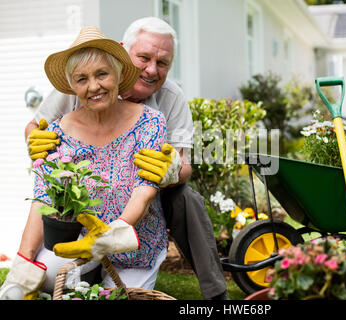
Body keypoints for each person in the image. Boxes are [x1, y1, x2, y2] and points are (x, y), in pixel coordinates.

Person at [24, 17, 228, 300]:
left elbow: (183, 164)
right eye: (143, 57)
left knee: (186, 199)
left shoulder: (170, 100)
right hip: (88, 194)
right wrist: (35, 143)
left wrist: (170, 170)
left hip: (149, 192)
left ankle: (216, 294)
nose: (151, 70)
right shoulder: (80, 80)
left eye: (163, 63)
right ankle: (84, 264)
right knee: (58, 190)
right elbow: (36, 128)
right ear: (123, 53)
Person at [0, 26, 170, 299]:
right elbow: (43, 199)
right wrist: (23, 261)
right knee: (41, 280)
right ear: (72, 86)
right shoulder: (57, 132)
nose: (93, 86)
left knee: (118, 295)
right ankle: (84, 272)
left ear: (118, 75)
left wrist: (112, 235)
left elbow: (145, 188)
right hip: (80, 242)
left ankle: (101, 274)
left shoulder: (150, 121)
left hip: (134, 243)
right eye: (82, 79)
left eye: (102, 74)